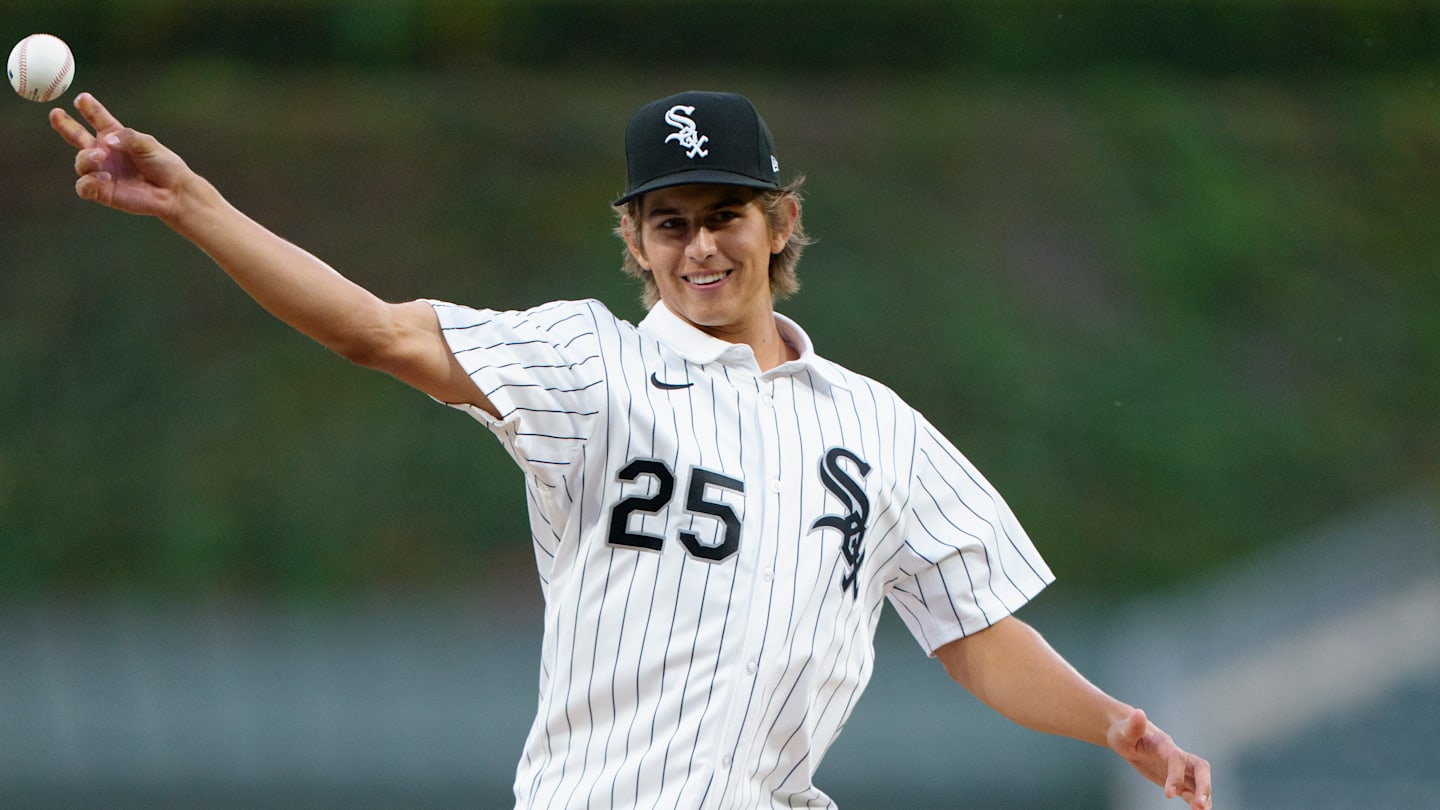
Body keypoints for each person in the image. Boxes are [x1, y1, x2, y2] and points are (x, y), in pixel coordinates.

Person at [50, 89, 1213, 809]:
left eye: (725, 214)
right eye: (671, 221)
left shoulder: (876, 425)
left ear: (780, 222)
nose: (701, 245)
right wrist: (198, 204)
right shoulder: (589, 366)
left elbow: (971, 630)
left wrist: (1111, 722)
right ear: (637, 241)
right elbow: (377, 331)